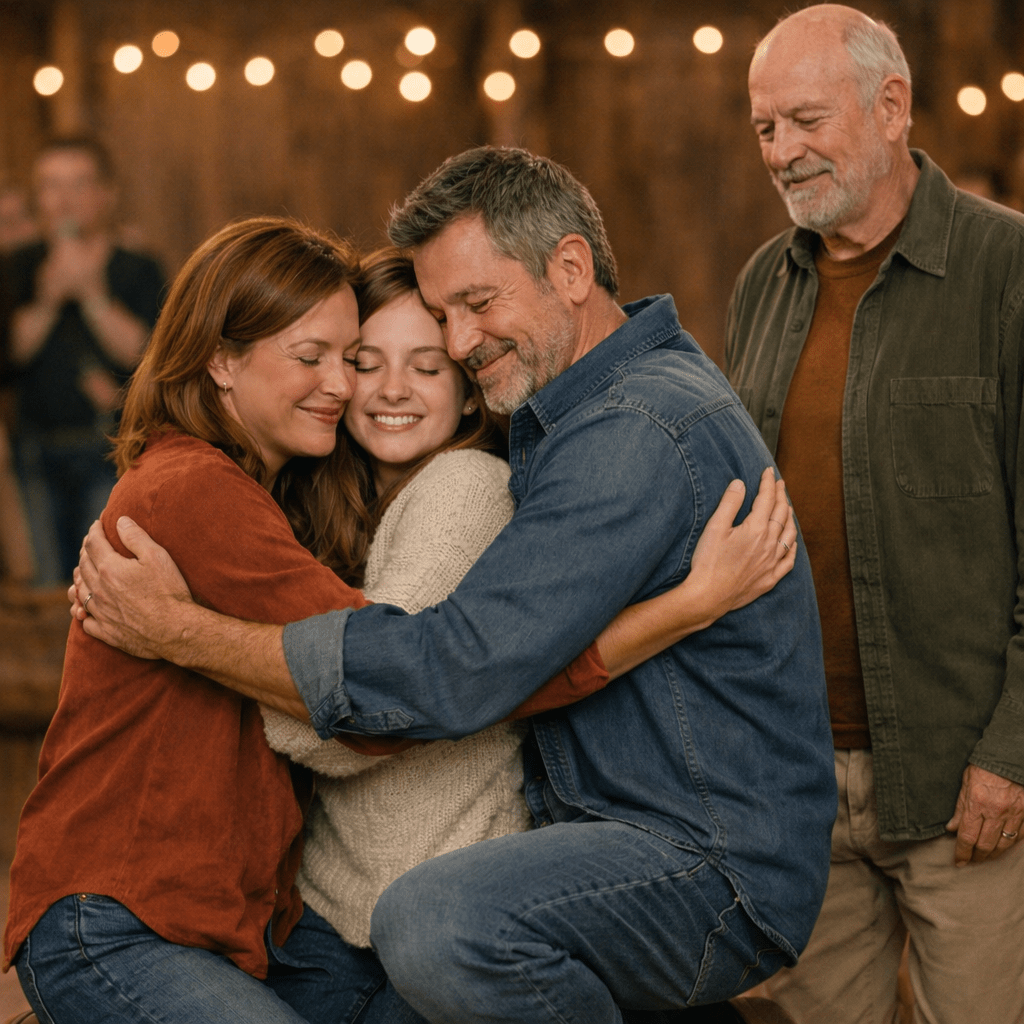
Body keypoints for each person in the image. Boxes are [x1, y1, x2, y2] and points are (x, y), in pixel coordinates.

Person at [71, 146, 834, 1023]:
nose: (462, 341)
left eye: (476, 305)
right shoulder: (569, 415)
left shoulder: (630, 427)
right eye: (443, 315)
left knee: (438, 920)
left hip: (703, 858)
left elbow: (452, 670)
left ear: (572, 268)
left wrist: (178, 631)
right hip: (603, 841)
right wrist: (677, 612)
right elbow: (512, 665)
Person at [262, 247, 800, 1023]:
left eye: (425, 367)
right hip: (336, 909)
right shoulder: (335, 496)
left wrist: (216, 658)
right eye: (365, 362)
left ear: (466, 387)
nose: (390, 390)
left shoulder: (465, 491)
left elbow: (363, 719)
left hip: (443, 898)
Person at [725, 7, 1024, 1023]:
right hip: (800, 780)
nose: (781, 151)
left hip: (965, 790)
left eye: (804, 119)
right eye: (764, 128)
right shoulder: (763, 285)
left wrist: (1011, 756)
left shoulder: (1007, 272)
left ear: (890, 106)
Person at [3, 136, 165, 584]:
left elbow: (152, 357)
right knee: (47, 584)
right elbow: (10, 354)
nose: (64, 199)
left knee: (99, 582)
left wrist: (93, 296)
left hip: (111, 452)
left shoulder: (138, 267)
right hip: (35, 450)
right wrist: (49, 298)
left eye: (79, 183)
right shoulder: (18, 266)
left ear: (106, 193)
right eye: (51, 185)